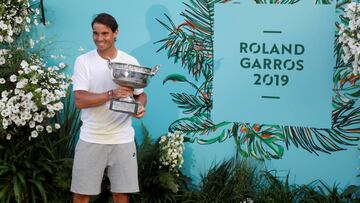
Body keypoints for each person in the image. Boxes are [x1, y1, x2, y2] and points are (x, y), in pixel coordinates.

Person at [71, 13, 146, 203]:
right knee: (81, 196)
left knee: (121, 196)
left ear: (115, 33)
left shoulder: (130, 61)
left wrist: (139, 107)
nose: (99, 38)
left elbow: (140, 94)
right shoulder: (83, 61)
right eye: (95, 33)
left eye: (104, 33)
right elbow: (79, 100)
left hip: (122, 139)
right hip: (91, 137)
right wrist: (111, 94)